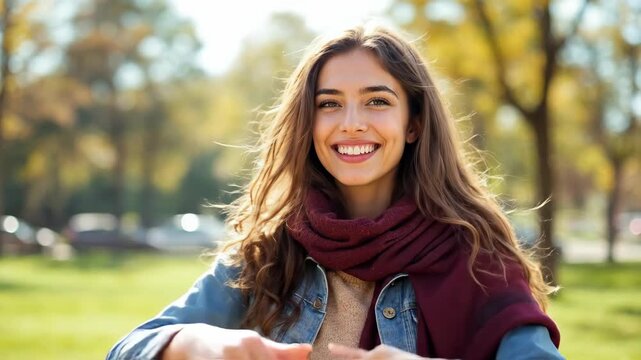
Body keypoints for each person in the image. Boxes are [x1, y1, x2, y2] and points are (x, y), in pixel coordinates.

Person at [107, 24, 564, 360]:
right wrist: (190, 343)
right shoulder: (266, 250)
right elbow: (127, 350)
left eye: (377, 101)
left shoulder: (478, 257)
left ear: (414, 123)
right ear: (309, 121)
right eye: (329, 104)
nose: (350, 123)